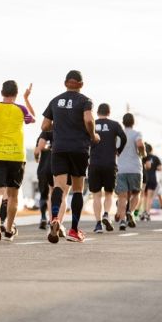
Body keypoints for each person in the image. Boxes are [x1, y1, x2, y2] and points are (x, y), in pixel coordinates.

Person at [40, 70, 98, 243]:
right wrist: (93, 135)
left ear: (65, 83)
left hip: (59, 148)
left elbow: (44, 125)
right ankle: (73, 230)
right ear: (81, 84)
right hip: (79, 148)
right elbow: (89, 120)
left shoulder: (55, 100)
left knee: (58, 186)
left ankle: (56, 218)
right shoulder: (85, 101)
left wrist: (60, 127)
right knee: (78, 188)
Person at [0, 81, 35, 242]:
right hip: (16, 155)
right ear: (16, 93)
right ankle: (8, 229)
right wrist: (26, 99)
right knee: (13, 195)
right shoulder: (21, 109)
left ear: (2, 92)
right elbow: (32, 119)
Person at [88, 103, 126, 233]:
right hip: (110, 163)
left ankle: (98, 224)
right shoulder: (114, 124)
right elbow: (124, 137)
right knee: (109, 194)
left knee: (96, 195)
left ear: (97, 112)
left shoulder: (91, 123)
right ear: (109, 112)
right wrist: (118, 150)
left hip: (94, 163)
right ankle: (106, 214)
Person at [114, 113, 145, 231]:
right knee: (136, 193)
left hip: (121, 169)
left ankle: (122, 221)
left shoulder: (118, 135)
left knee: (122, 197)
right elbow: (140, 144)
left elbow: (115, 150)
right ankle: (130, 212)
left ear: (123, 122)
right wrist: (142, 153)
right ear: (133, 122)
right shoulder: (137, 133)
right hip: (135, 169)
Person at [34, 131, 54, 229]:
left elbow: (37, 151)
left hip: (42, 169)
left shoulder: (43, 135)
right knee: (53, 193)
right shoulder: (60, 131)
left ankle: (43, 217)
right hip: (55, 167)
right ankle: (52, 218)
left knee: (43, 195)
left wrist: (37, 158)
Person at [141, 143, 161, 222]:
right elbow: (159, 168)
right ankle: (147, 213)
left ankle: (143, 212)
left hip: (144, 178)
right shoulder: (155, 158)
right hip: (153, 178)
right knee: (150, 197)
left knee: (144, 197)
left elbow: (146, 166)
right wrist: (154, 167)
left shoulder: (143, 157)